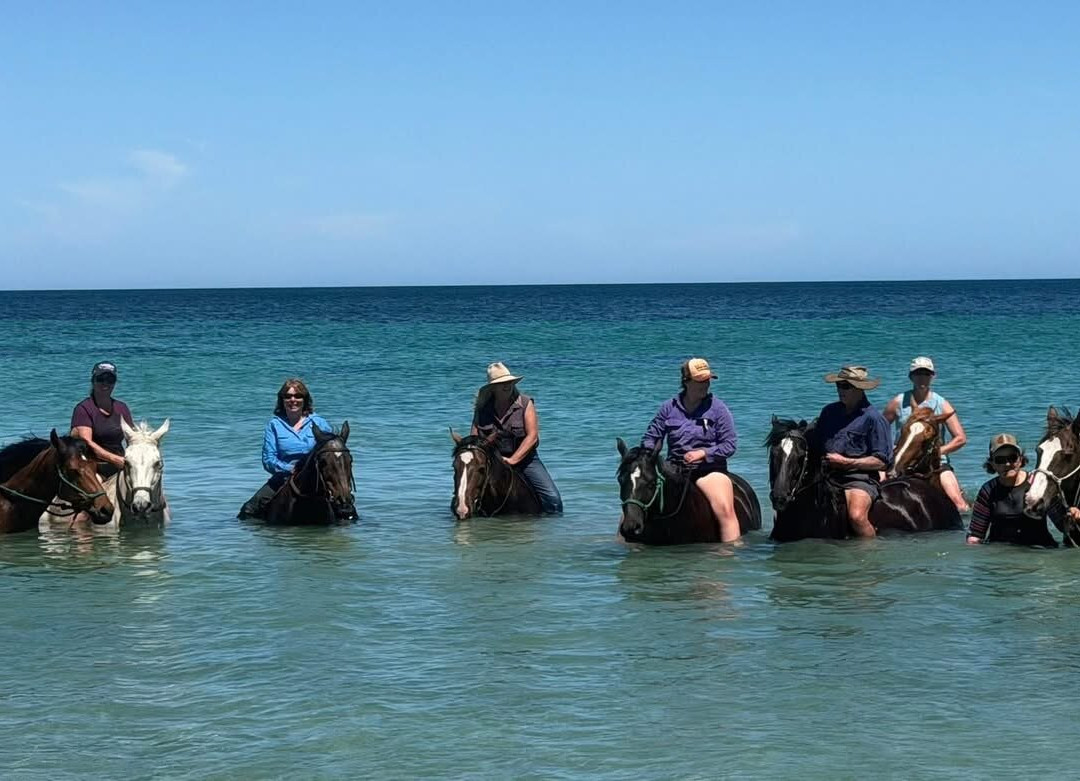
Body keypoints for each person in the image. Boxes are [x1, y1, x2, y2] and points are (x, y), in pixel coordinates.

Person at [641, 358, 740, 542]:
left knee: (725, 509)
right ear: (686, 381)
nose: (706, 384)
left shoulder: (718, 409)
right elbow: (651, 437)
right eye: (700, 380)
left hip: (708, 471)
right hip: (673, 470)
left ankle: (730, 552)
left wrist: (704, 453)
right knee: (638, 502)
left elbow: (729, 445)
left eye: (708, 380)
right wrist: (647, 455)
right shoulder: (668, 408)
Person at [812, 365, 893, 538]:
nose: (840, 390)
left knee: (856, 516)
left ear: (859, 389)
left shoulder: (873, 419)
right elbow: (815, 443)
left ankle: (869, 555)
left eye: (846, 386)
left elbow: (882, 461)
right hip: (825, 474)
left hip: (858, 479)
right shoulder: (828, 412)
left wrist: (847, 463)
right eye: (839, 385)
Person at [471, 362, 563, 513]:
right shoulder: (482, 409)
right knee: (465, 495)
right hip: (492, 461)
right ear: (493, 387)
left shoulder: (525, 403)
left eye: (509, 382)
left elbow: (532, 436)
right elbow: (474, 439)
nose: (507, 386)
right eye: (502, 383)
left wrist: (513, 460)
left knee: (553, 501)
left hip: (526, 460)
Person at [882, 356, 969, 511]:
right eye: (918, 374)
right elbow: (880, 428)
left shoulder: (941, 404)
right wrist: (891, 448)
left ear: (932, 377)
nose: (922, 378)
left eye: (926, 374)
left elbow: (960, 438)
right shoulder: (898, 402)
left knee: (959, 505)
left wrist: (937, 451)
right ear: (911, 377)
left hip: (935, 463)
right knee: (878, 489)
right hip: (901, 458)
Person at [238, 379, 332, 519]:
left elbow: (330, 454)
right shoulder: (274, 425)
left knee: (346, 510)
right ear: (282, 400)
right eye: (288, 396)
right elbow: (268, 459)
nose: (293, 400)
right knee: (248, 511)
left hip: (316, 480)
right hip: (283, 478)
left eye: (297, 396)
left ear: (305, 399)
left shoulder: (319, 423)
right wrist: (289, 469)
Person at [966, 433, 1080, 546]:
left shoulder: (1037, 485)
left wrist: (1073, 516)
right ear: (992, 464)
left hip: (1039, 552)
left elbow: (1063, 525)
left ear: (1020, 460)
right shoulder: (988, 490)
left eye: (1012, 458)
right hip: (1000, 554)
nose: (1007, 464)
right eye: (1000, 459)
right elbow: (975, 535)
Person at [71, 361, 135, 479]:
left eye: (110, 380)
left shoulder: (122, 408)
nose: (105, 383)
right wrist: (114, 459)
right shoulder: (83, 409)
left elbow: (133, 438)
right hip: (93, 466)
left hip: (121, 463)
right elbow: (87, 443)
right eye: (101, 379)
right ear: (93, 381)